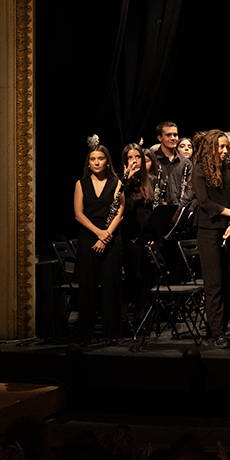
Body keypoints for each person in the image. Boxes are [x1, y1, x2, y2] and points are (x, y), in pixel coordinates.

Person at [192, 129, 230, 348]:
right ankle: (216, 332)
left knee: (227, 281)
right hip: (208, 230)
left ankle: (219, 328)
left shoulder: (229, 169)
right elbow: (204, 202)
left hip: (228, 230)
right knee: (214, 284)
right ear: (210, 148)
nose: (224, 151)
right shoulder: (200, 169)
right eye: (220, 147)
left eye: (226, 147)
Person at [74, 140, 124, 343]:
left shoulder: (116, 182)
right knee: (87, 287)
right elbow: (78, 214)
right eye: (92, 159)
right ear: (88, 163)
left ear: (107, 162)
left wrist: (106, 235)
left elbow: (119, 213)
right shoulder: (81, 184)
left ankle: (110, 333)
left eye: (100, 159)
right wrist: (98, 233)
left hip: (110, 237)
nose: (96, 162)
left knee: (111, 286)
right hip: (88, 236)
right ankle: (85, 333)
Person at [119, 143, 155, 329]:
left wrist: (152, 234)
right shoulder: (120, 182)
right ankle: (123, 319)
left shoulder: (150, 181)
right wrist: (126, 179)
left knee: (144, 279)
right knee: (133, 277)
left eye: (137, 157)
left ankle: (140, 320)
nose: (134, 161)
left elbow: (149, 213)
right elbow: (119, 207)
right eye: (130, 158)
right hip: (128, 237)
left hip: (144, 237)